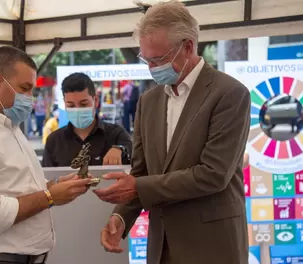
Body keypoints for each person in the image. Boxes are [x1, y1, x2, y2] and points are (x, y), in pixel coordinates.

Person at [93, 1, 251, 264]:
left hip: (213, 246)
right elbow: (142, 172)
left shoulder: (229, 94)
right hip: (161, 245)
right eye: (147, 59)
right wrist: (120, 217)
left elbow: (213, 174)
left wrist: (137, 188)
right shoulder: (149, 101)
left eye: (159, 59)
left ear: (188, 46)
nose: (152, 68)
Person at [0, 46, 92, 264]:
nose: (30, 98)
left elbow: (15, 188)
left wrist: (54, 186)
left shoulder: (8, 127)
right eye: (24, 88)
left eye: (32, 90)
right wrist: (49, 197)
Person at [42, 72, 132, 167]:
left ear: (96, 101)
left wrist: (120, 149)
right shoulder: (54, 141)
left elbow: (131, 150)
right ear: (64, 104)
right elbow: (47, 178)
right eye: (71, 105)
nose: (77, 110)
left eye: (83, 104)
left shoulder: (116, 134)